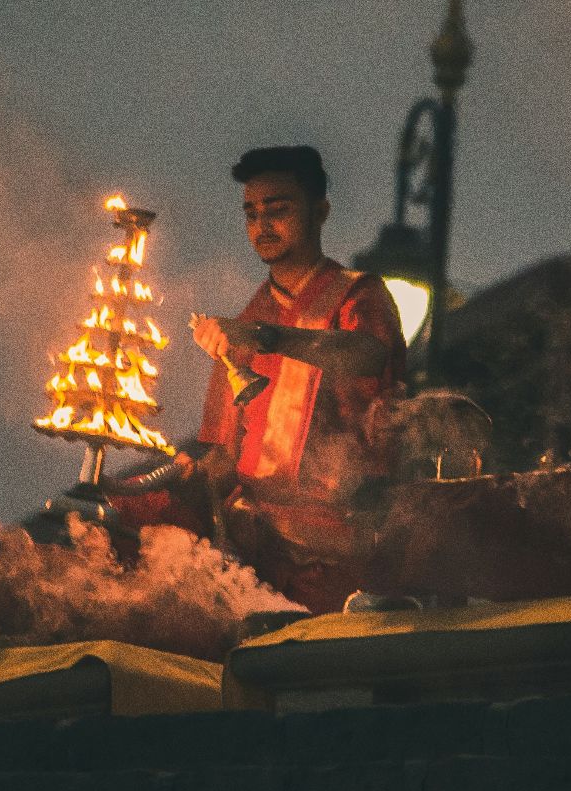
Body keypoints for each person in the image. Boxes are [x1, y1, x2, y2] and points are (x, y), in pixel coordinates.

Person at [172, 145, 407, 613]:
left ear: (320, 212)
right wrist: (167, 478)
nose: (262, 226)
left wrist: (268, 338)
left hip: (345, 557)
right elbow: (224, 457)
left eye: (278, 210)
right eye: (251, 213)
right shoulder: (243, 322)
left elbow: (367, 356)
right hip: (257, 560)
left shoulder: (359, 296)